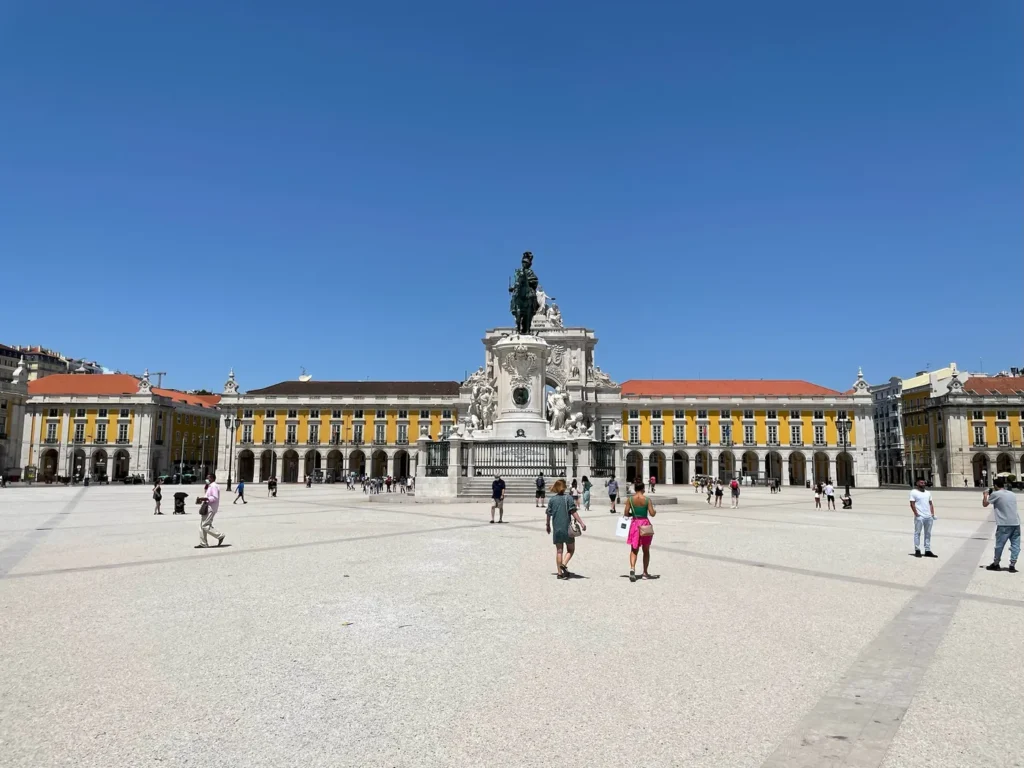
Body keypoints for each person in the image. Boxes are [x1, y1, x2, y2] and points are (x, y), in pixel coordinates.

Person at [545, 478, 586, 579]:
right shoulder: (568, 498)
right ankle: (564, 563)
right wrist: (581, 523)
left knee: (559, 551)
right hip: (567, 528)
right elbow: (573, 512)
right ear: (564, 488)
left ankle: (559, 573)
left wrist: (548, 525)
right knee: (571, 549)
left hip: (557, 528)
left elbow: (548, 514)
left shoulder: (552, 500)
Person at [984, 476, 1020, 572]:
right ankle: (1012, 565)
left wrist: (985, 494)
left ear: (995, 485)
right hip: (1016, 522)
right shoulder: (1012, 494)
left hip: (1004, 523)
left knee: (999, 545)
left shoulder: (995, 494)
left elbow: (985, 504)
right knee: (1015, 545)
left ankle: (996, 564)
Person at [624, 481, 657, 582]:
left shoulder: (630, 499)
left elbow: (626, 513)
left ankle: (632, 568)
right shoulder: (647, 500)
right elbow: (652, 514)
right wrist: (654, 510)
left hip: (635, 524)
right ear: (643, 489)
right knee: (646, 550)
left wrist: (632, 515)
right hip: (645, 525)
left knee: (634, 549)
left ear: (634, 489)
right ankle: (645, 573)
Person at [196, 472, 225, 548]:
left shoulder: (214, 486)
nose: (206, 479)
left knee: (205, 525)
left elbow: (214, 498)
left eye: (208, 478)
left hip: (210, 508)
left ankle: (220, 536)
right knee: (201, 526)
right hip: (207, 507)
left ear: (212, 478)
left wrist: (205, 499)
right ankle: (203, 543)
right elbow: (208, 495)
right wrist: (202, 499)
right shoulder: (210, 486)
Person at [909, 478, 936, 558]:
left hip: (928, 516)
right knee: (917, 533)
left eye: (924, 483)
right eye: (921, 483)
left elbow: (930, 503)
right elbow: (912, 504)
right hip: (920, 516)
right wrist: (916, 514)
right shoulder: (913, 492)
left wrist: (932, 514)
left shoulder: (928, 493)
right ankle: (917, 550)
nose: (923, 484)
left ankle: (927, 550)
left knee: (928, 533)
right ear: (917, 483)